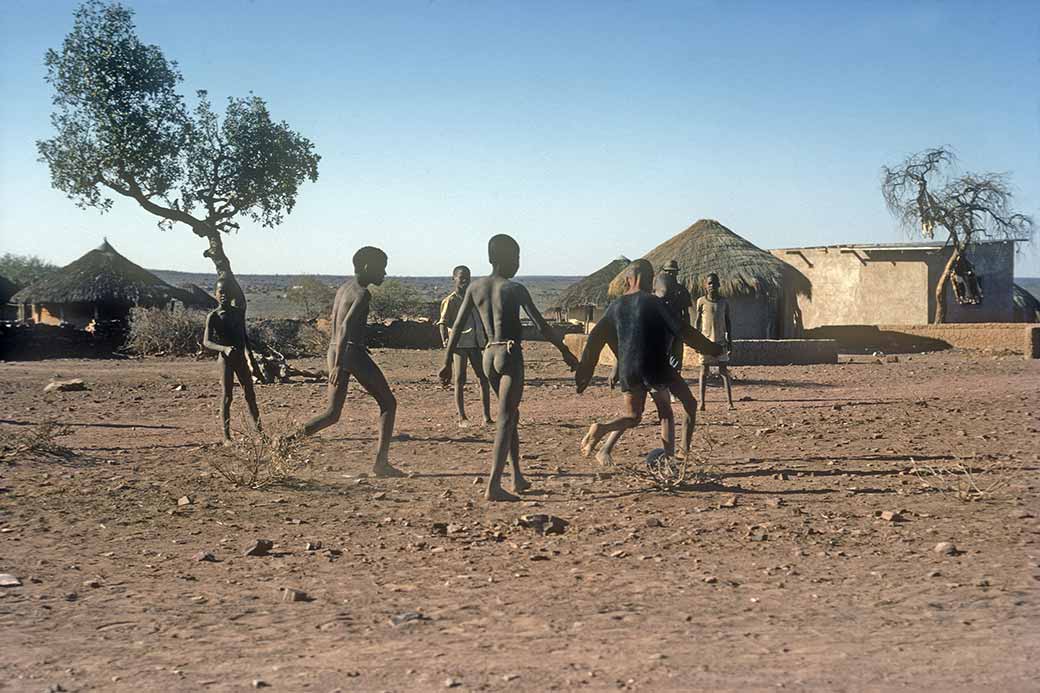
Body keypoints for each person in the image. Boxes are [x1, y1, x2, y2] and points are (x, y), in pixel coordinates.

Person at [439, 234, 580, 502]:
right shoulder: (514, 289)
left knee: (510, 415)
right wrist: (565, 352)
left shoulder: (475, 288)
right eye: (516, 258)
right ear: (504, 260)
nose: (518, 263)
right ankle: (493, 485)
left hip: (488, 354)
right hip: (509, 353)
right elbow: (541, 326)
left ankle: (516, 476)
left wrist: (446, 361)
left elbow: (456, 327)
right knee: (505, 418)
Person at [574, 260, 721, 466]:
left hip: (628, 369)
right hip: (655, 367)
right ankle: (669, 461)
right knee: (666, 413)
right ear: (649, 279)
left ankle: (602, 428)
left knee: (633, 416)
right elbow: (682, 330)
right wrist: (712, 348)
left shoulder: (614, 307)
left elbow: (595, 339)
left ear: (628, 279)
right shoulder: (655, 303)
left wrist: (583, 374)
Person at [298, 246, 403, 477]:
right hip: (350, 352)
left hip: (335, 350)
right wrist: (340, 363)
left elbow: (338, 325)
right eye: (381, 267)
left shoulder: (344, 288)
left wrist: (336, 359)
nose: (384, 273)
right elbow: (346, 326)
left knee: (332, 414)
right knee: (388, 403)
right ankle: (381, 463)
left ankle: (286, 441)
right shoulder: (363, 293)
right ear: (367, 267)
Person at [202, 278, 262, 444]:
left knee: (250, 394)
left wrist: (251, 359)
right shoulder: (213, 316)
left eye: (227, 292)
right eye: (220, 292)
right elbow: (206, 342)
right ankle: (226, 436)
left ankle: (260, 433)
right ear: (215, 293)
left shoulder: (238, 313)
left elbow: (244, 337)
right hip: (225, 359)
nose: (223, 296)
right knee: (227, 397)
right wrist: (224, 348)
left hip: (240, 359)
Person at [437, 265, 492, 427]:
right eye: (461, 278)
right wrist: (445, 342)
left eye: (467, 277)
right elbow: (443, 322)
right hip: (459, 344)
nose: (464, 281)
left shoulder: (474, 298)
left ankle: (486, 417)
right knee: (460, 379)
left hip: (475, 343)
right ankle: (462, 417)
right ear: (454, 278)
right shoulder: (451, 300)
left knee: (483, 378)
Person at [695, 272, 735, 411]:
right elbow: (698, 323)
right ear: (705, 286)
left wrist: (730, 341)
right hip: (706, 342)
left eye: (714, 283)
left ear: (719, 285)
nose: (712, 286)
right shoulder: (701, 301)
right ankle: (702, 402)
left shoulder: (724, 302)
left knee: (724, 371)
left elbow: (728, 322)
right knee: (703, 372)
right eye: (709, 283)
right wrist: (696, 341)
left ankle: (730, 402)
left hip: (720, 342)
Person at [659, 260, 693, 373]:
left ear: (677, 274)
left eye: (673, 272)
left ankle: (675, 382)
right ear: (664, 273)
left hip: (677, 328)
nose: (671, 275)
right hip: (663, 329)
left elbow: (686, 313)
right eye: (668, 272)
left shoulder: (682, 291)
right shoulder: (658, 291)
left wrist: (687, 331)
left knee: (676, 358)